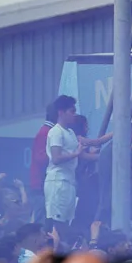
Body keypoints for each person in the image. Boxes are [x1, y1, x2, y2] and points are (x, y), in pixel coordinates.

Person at [44, 96, 98, 229]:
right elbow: (56, 158)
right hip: (57, 182)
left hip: (69, 182)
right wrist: (76, 154)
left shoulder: (70, 133)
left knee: (67, 222)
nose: (74, 115)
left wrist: (102, 157)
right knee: (56, 224)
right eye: (71, 111)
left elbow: (82, 155)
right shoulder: (56, 132)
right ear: (61, 112)